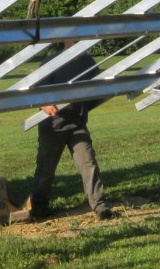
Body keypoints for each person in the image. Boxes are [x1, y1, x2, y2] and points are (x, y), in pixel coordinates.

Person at [30, 41, 114, 220]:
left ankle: (99, 205)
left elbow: (97, 87)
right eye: (74, 41)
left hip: (77, 124)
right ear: (66, 42)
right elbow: (35, 90)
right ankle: (38, 208)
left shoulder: (88, 62)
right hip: (53, 126)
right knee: (46, 168)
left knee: (88, 163)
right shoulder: (51, 61)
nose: (78, 44)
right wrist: (44, 104)